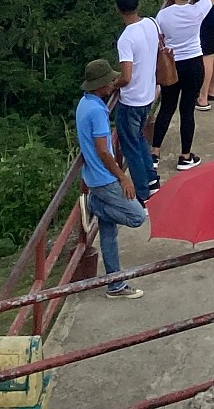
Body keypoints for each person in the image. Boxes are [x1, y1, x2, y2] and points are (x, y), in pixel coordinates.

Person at [76, 58, 148, 298]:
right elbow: (103, 150)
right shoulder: (97, 111)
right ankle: (95, 205)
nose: (112, 84)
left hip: (93, 177)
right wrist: (122, 177)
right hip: (104, 180)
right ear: (100, 85)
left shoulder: (84, 104)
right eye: (109, 81)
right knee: (137, 216)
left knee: (108, 234)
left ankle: (115, 283)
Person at [151, 0, 214, 170]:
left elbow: (159, 37)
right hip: (194, 64)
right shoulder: (197, 11)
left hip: (172, 64)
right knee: (187, 111)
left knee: (167, 108)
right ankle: (185, 156)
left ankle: (154, 152)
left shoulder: (162, 15)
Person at [114, 0, 160, 203]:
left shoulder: (126, 39)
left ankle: (142, 193)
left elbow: (126, 76)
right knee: (140, 138)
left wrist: (113, 84)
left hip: (131, 100)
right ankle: (152, 180)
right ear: (138, 5)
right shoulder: (151, 24)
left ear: (118, 10)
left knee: (130, 146)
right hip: (148, 94)